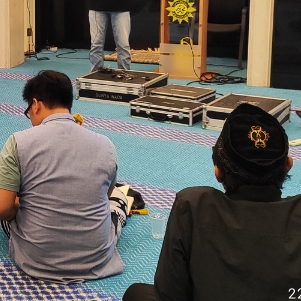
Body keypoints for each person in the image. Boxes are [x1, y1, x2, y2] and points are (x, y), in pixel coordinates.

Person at [123, 103, 301, 301]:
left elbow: (169, 294)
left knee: (136, 294)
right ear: (288, 164)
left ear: (218, 172)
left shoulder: (193, 206)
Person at [0, 70, 128, 283]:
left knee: (7, 202)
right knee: (119, 198)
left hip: (37, 260)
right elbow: (105, 196)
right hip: (95, 259)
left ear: (36, 105)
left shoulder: (18, 142)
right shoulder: (105, 144)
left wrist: (19, 204)